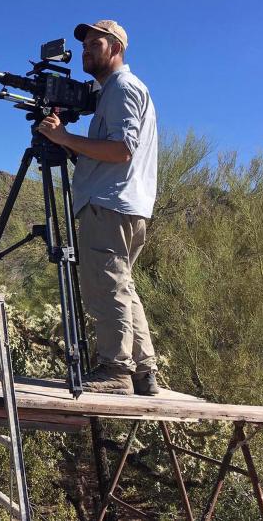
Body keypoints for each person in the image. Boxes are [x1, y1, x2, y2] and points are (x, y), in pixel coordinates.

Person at [36, 20, 159, 395]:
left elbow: (121, 150)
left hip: (110, 203)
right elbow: (107, 153)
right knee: (122, 285)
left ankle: (115, 371)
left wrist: (63, 137)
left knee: (106, 286)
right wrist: (67, 140)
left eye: (95, 43)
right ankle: (144, 371)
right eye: (85, 44)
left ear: (116, 48)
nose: (87, 50)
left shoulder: (122, 87)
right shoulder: (114, 92)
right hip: (124, 203)